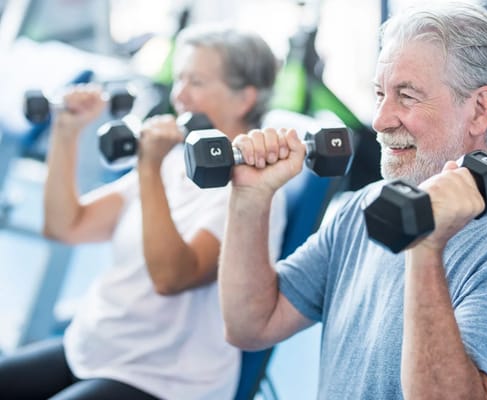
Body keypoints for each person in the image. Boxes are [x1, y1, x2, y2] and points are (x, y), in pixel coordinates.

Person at [218, 3, 487, 399]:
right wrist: (250, 197)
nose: (380, 120)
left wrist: (424, 244)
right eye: (380, 93)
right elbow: (250, 324)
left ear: (479, 110)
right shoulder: (362, 208)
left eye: (407, 96)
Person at [0, 25, 285, 399]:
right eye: (180, 79)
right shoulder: (174, 159)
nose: (179, 95)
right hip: (94, 347)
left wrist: (148, 167)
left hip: (159, 378)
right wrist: (67, 132)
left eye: (196, 82)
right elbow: (66, 226)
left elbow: (170, 277)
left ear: (244, 99)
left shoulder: (250, 189)